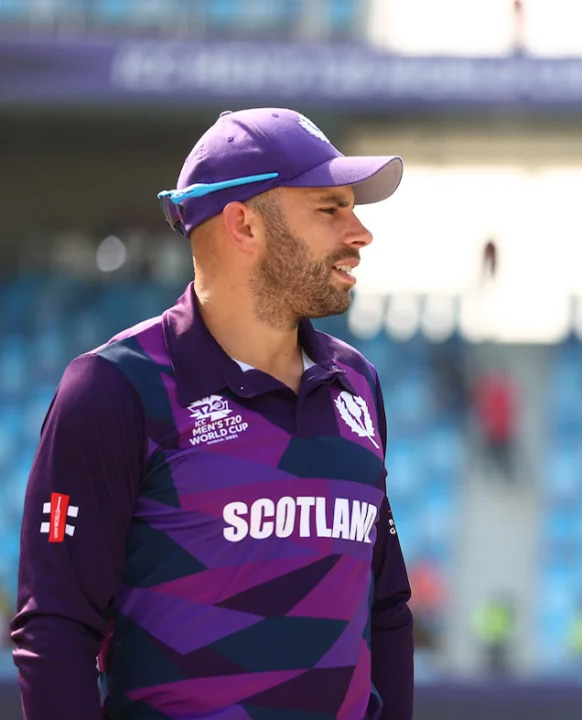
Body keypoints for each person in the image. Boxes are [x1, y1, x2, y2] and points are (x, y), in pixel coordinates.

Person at [10, 108, 415, 720]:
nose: (360, 233)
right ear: (244, 224)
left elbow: (385, 609)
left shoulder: (356, 384)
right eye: (330, 209)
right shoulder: (115, 388)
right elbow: (56, 631)